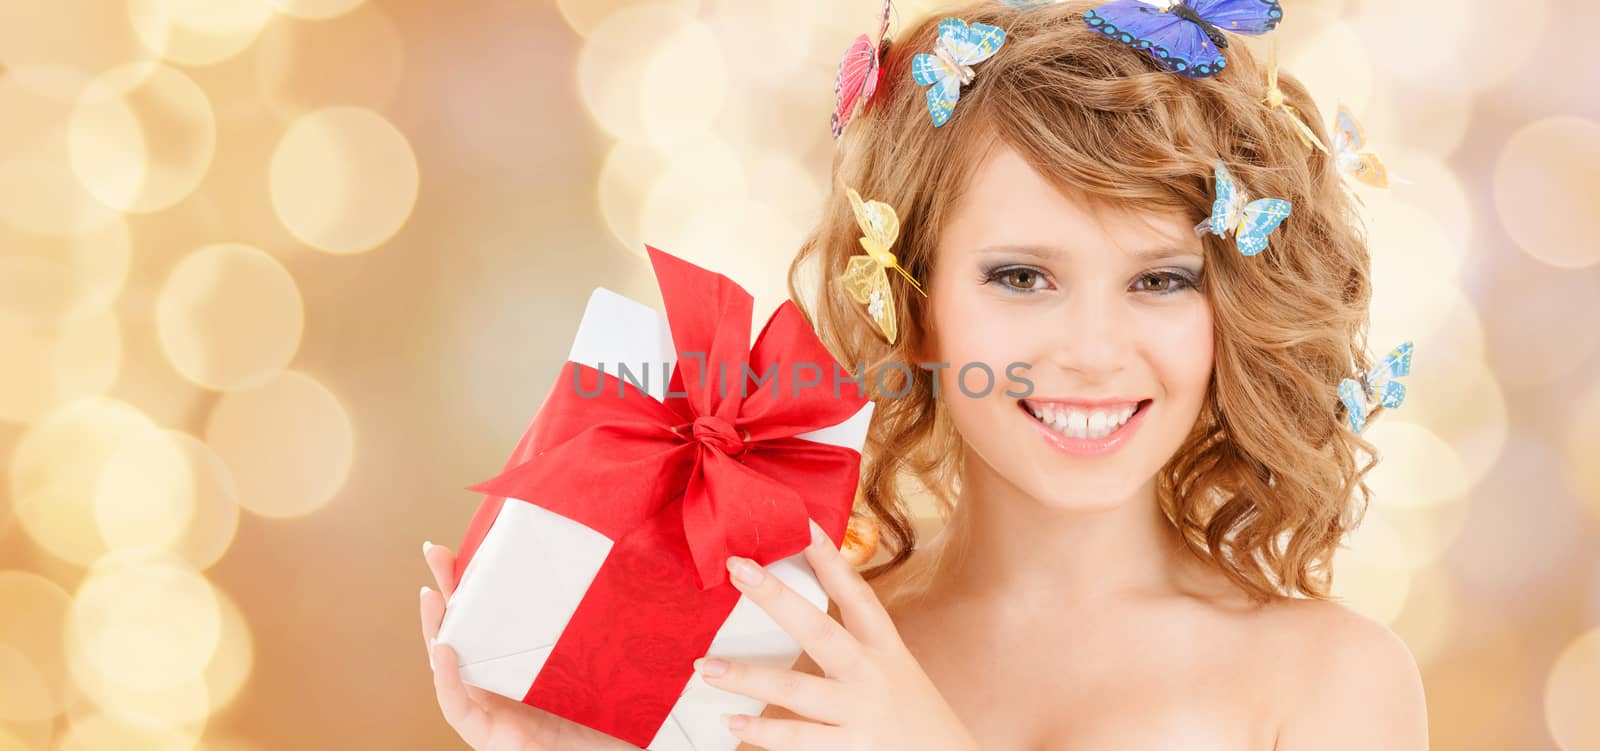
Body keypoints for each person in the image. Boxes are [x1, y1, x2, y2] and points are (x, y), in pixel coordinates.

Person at [418, 1, 1430, 748]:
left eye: (1160, 279)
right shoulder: (795, 654)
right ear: (911, 300)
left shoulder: (1328, 683)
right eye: (1021, 276)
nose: (1090, 347)